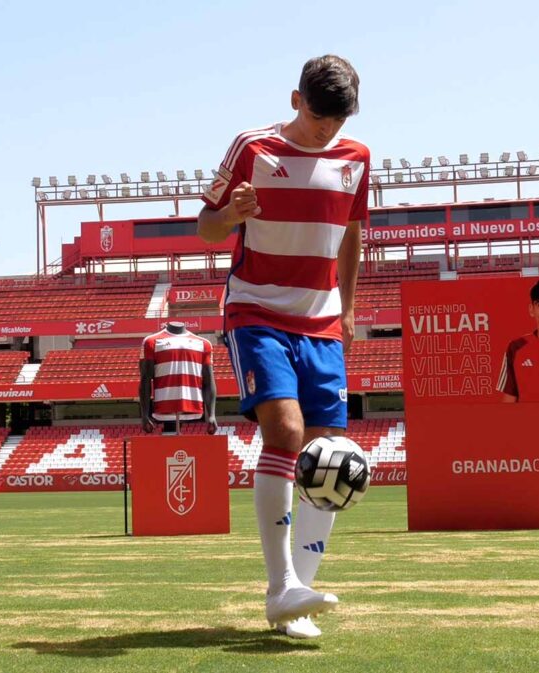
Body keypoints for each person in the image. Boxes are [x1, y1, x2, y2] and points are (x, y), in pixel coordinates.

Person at [197, 55, 369, 639]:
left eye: (337, 122)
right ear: (296, 101)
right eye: (319, 118)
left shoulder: (357, 159)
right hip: (256, 309)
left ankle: (300, 599)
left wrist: (345, 307)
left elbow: (352, 236)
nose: (327, 132)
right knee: (287, 434)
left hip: (320, 321)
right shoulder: (252, 146)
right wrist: (230, 214)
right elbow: (205, 227)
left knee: (326, 455)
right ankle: (280, 586)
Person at [139, 322, 218, 435]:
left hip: (192, 407)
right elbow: (145, 380)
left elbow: (209, 381)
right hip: (163, 407)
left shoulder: (204, 344)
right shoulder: (151, 341)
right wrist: (145, 414)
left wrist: (212, 415)